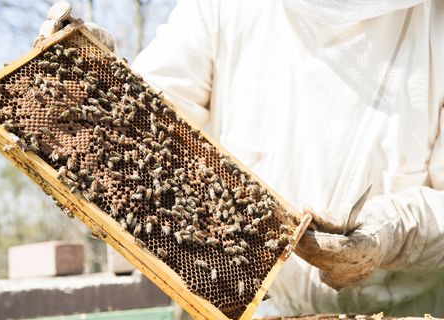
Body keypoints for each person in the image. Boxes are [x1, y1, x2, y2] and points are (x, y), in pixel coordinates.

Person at [37, 0, 444, 316]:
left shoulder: (434, 22)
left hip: (406, 310)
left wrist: (393, 232)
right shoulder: (221, 7)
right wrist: (100, 86)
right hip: (253, 307)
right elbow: (153, 117)